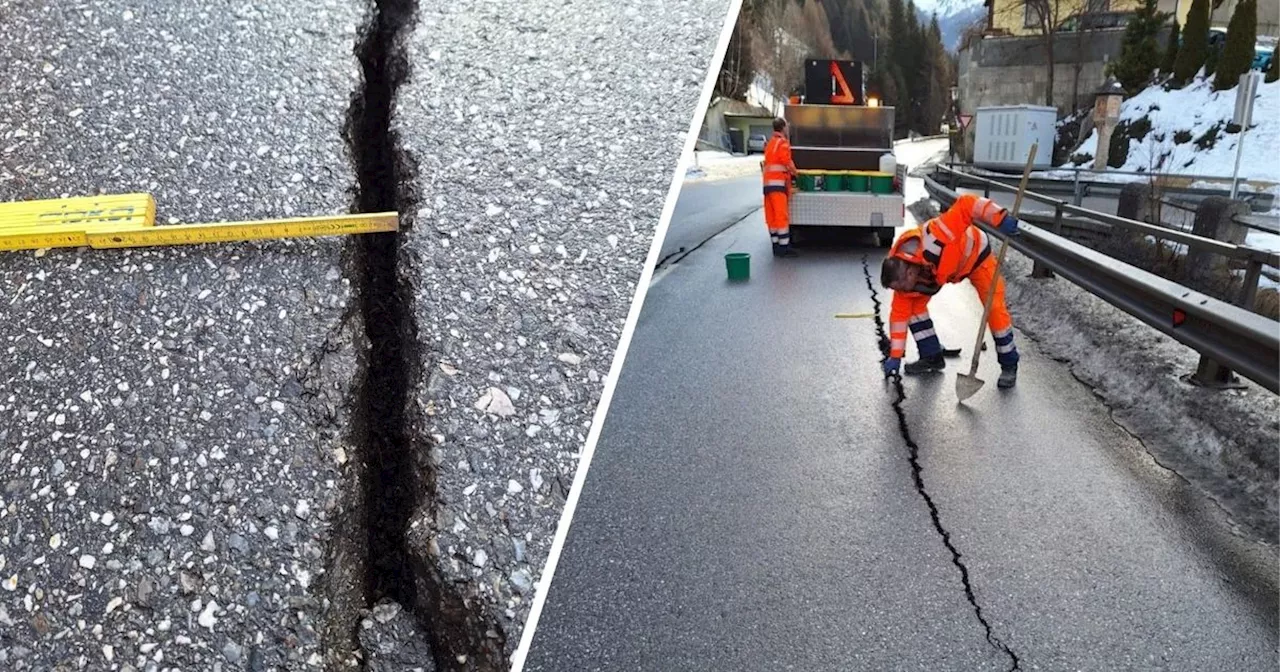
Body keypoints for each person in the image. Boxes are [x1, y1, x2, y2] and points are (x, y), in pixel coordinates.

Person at [879, 194, 1022, 388]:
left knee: (995, 311)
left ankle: (1009, 364)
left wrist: (999, 218)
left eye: (903, 287)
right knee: (911, 310)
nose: (902, 291)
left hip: (977, 258)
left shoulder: (938, 237)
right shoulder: (902, 275)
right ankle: (932, 356)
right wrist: (895, 356)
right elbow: (898, 317)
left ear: (910, 273)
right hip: (947, 272)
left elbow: (968, 204)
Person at [761, 117, 799, 257]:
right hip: (778, 185)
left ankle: (776, 246)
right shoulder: (782, 143)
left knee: (771, 217)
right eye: (787, 127)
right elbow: (786, 161)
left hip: (767, 186)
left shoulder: (770, 143)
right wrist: (796, 173)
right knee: (781, 217)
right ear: (783, 128)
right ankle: (784, 248)